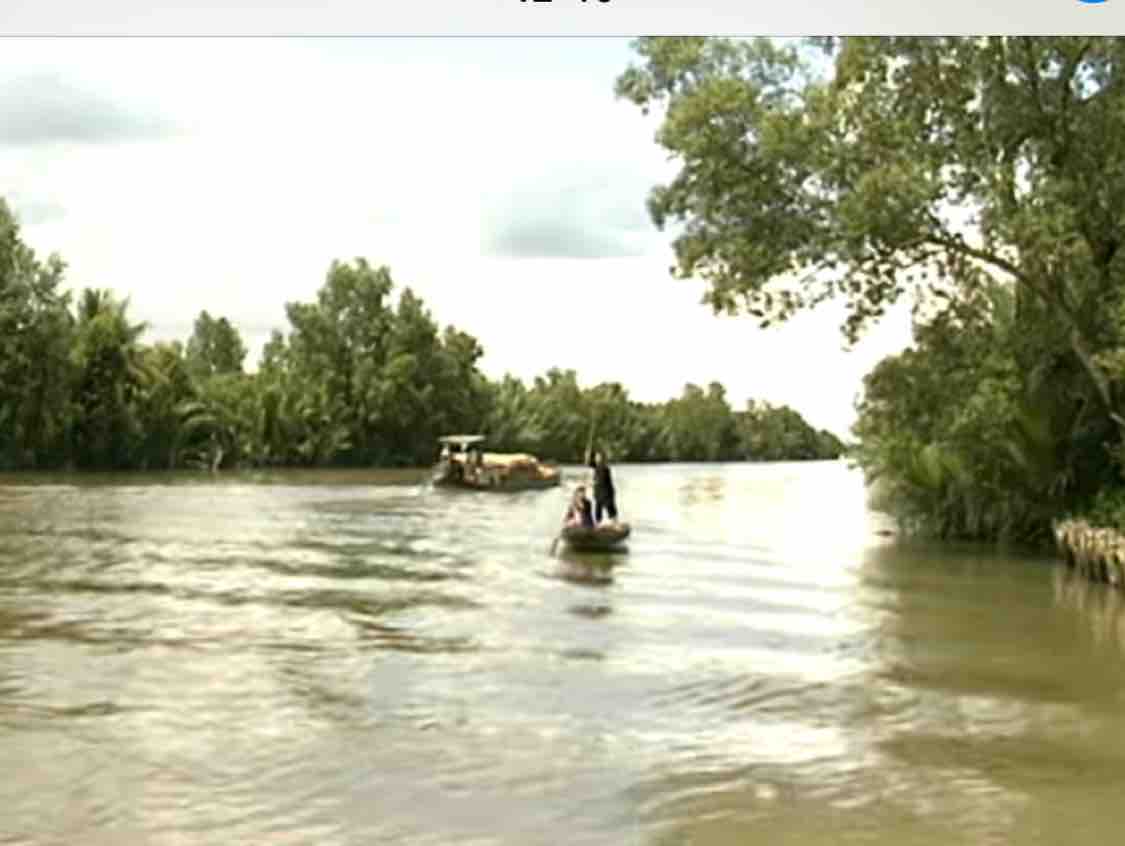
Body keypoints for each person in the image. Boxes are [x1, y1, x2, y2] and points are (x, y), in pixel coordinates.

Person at [586, 448, 618, 525]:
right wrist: (587, 454)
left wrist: (592, 483)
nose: (596, 458)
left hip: (606, 492)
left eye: (598, 457)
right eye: (596, 457)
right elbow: (589, 463)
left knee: (610, 509)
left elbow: (601, 480)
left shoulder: (605, 468)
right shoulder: (596, 465)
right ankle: (598, 524)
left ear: (602, 458)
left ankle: (615, 523)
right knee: (598, 510)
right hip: (598, 493)